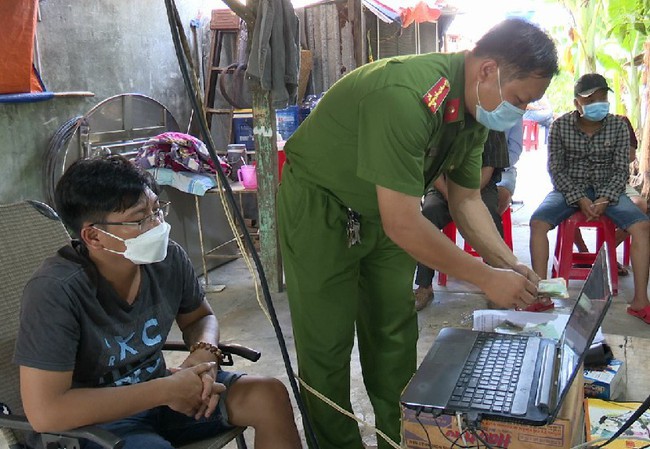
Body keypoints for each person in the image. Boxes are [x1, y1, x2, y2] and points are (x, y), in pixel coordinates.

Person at [278, 18, 557, 449]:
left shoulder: (473, 112)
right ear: (488, 71)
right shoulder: (406, 96)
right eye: (520, 100)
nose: (518, 113)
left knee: (394, 334)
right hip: (322, 207)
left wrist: (510, 263)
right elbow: (404, 223)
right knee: (326, 347)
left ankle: (402, 440)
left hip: (384, 213)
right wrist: (485, 279)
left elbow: (465, 201)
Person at [13, 155, 302, 449]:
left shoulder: (167, 259)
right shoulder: (55, 292)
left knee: (268, 395)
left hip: (162, 397)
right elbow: (46, 413)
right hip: (95, 424)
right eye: (140, 219)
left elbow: (200, 317)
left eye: (156, 210)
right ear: (94, 236)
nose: (157, 225)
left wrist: (205, 353)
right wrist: (164, 390)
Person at [529, 73, 650, 322]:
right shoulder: (560, 126)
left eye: (603, 97)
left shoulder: (617, 126)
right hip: (569, 188)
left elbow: (620, 170)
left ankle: (640, 301)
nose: (599, 103)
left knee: (642, 226)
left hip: (610, 189)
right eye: (591, 99)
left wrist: (604, 198)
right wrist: (579, 198)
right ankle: (541, 296)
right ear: (577, 103)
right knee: (537, 223)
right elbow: (556, 170)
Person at [413, 129, 511, 311]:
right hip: (442, 185)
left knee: (490, 213)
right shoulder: (439, 123)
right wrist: (450, 195)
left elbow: (487, 170)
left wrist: (465, 196)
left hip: (479, 186)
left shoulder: (492, 127)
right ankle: (424, 284)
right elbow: (431, 169)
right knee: (429, 213)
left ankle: (497, 284)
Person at [573, 114, 647, 277]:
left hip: (617, 182)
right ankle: (584, 253)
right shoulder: (573, 123)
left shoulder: (621, 122)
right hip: (581, 183)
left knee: (640, 206)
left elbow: (630, 155)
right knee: (564, 203)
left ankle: (604, 252)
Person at [497, 117, 524, 215]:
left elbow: (515, 151)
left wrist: (495, 166)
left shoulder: (513, 113)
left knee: (501, 195)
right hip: (470, 167)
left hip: (503, 169)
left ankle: (487, 226)